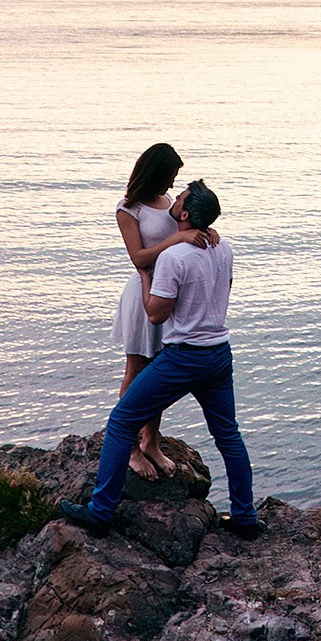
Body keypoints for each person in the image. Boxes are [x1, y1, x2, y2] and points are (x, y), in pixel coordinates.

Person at [61, 180, 258, 540]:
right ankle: (245, 517)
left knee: (121, 422)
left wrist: (145, 274)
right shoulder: (223, 247)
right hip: (218, 354)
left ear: (183, 214)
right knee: (228, 435)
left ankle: (100, 512)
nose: (174, 196)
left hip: (184, 357)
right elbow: (222, 291)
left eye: (180, 197)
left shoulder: (172, 258)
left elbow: (155, 315)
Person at [110, 141, 214, 479]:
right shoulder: (129, 209)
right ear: (155, 173)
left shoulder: (169, 202)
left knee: (159, 369)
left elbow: (186, 230)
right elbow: (138, 258)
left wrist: (204, 229)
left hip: (168, 294)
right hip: (142, 293)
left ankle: (151, 440)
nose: (172, 185)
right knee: (137, 368)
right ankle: (127, 447)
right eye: (170, 176)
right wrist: (178, 240)